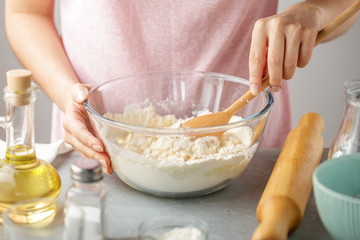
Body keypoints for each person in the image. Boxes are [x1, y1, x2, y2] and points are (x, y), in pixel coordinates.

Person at [5, 0, 358, 175]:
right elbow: (26, 13)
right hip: (97, 150)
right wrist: (69, 95)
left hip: (244, 155)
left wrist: (314, 11)